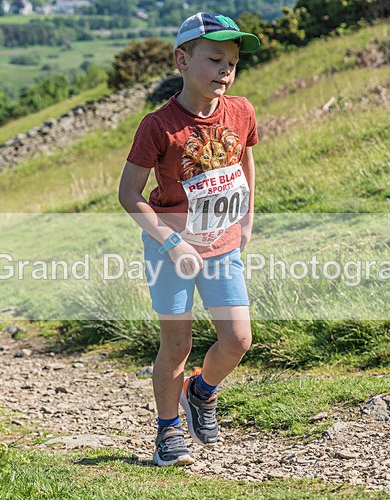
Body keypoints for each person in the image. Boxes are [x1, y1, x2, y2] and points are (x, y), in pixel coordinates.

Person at [118, 12, 260, 466]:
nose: (225, 69)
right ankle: (167, 431)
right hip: (170, 251)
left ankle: (199, 392)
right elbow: (128, 193)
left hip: (222, 244)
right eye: (214, 57)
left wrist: (249, 215)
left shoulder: (241, 110)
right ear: (182, 59)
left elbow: (244, 162)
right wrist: (170, 242)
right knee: (176, 344)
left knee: (238, 340)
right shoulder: (157, 125)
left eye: (232, 62)